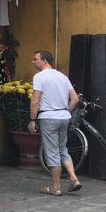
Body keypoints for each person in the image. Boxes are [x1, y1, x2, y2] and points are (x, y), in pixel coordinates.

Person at [29, 50, 81, 196]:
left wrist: (32, 120)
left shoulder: (39, 77)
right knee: (62, 148)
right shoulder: (62, 76)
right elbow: (75, 99)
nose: (33, 62)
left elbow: (35, 100)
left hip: (48, 117)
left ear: (44, 61)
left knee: (52, 151)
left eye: (35, 59)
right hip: (63, 117)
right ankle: (74, 178)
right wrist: (66, 111)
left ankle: (55, 187)